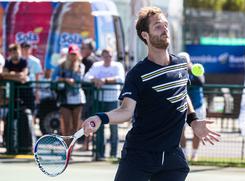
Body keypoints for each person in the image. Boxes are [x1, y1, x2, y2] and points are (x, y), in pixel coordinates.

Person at [82, 7, 220, 181]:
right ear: (145, 35)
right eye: (157, 26)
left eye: (165, 25)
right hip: (139, 155)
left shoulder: (180, 64)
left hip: (172, 158)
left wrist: (193, 120)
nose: (165, 29)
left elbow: (181, 94)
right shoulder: (137, 73)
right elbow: (126, 111)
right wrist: (101, 118)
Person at [84, 48, 125, 160]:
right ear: (102, 56)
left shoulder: (118, 66)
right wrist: (95, 80)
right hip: (99, 100)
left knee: (114, 128)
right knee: (99, 128)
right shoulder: (97, 65)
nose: (107, 58)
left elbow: (121, 79)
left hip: (112, 100)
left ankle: (113, 154)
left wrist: (105, 80)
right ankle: (99, 154)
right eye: (105, 56)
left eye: (110, 56)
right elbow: (86, 77)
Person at [52, 44, 86, 136]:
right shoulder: (61, 65)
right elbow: (54, 78)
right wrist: (66, 80)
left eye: (75, 54)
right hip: (64, 98)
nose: (73, 56)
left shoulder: (80, 66)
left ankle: (71, 147)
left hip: (77, 99)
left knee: (75, 127)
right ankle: (67, 148)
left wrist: (64, 78)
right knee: (66, 125)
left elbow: (77, 81)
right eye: (71, 54)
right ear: (68, 54)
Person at [178, 52, 206, 161]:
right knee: (180, 131)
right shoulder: (176, 72)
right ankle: (184, 154)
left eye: (185, 60)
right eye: (181, 60)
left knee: (197, 132)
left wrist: (189, 69)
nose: (183, 62)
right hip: (182, 107)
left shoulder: (195, 69)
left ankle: (194, 154)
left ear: (189, 61)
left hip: (198, 106)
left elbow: (201, 82)